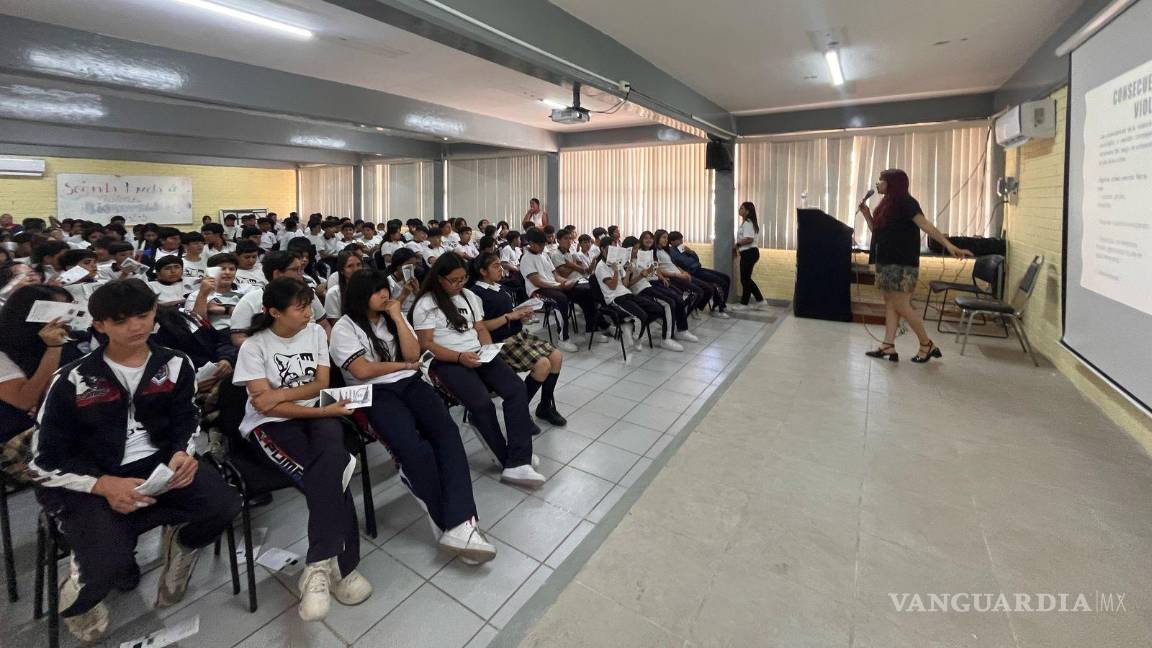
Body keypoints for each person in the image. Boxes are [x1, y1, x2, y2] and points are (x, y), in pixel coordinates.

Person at [30, 279, 241, 642]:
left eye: (143, 315)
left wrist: (182, 453)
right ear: (99, 325)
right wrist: (103, 485)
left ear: (155, 313)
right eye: (121, 320)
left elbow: (187, 418)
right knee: (107, 561)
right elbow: (41, 462)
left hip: (158, 463)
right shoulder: (73, 379)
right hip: (90, 476)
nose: (136, 326)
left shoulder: (175, 364)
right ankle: (83, 592)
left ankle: (184, 545)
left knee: (224, 504)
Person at [331, 270, 496, 563]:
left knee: (447, 433)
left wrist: (396, 318)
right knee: (414, 449)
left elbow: (413, 352)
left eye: (385, 289)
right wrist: (403, 366)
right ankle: (449, 522)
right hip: (372, 393)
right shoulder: (344, 327)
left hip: (409, 382)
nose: (385, 295)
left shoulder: (391, 318)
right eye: (376, 291)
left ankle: (461, 522)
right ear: (360, 296)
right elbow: (362, 371)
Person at [232, 277, 372, 621]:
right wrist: (308, 406)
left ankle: (317, 566)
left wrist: (280, 393)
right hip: (273, 425)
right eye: (301, 307)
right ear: (273, 311)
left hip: (319, 410)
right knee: (330, 476)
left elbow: (321, 383)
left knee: (329, 466)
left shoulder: (314, 333)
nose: (310, 312)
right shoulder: (255, 347)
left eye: (310, 304)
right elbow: (265, 409)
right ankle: (342, 567)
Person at [410, 254, 546, 488]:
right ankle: (510, 462)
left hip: (477, 353)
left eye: (463, 279)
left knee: (515, 389)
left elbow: (480, 328)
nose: (459, 284)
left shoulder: (470, 296)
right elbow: (426, 345)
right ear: (439, 279)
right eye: (454, 280)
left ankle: (519, 457)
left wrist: (486, 350)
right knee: (481, 403)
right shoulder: (426, 303)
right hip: (447, 360)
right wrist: (460, 357)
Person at [859, 168, 973, 363]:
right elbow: (876, 231)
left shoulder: (907, 203)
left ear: (892, 184)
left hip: (902, 263)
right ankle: (888, 345)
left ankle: (926, 344)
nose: (877, 184)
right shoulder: (886, 205)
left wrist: (949, 245)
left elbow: (926, 225)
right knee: (890, 303)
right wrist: (867, 214)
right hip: (885, 261)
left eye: (881, 181)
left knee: (901, 304)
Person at [471, 252, 567, 426]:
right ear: (483, 271)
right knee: (542, 364)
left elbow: (508, 313)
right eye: (495, 266)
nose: (501, 269)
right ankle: (520, 412)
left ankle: (545, 406)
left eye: (500, 265)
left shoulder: (499, 287)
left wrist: (522, 315)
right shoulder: (476, 293)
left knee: (556, 356)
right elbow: (481, 327)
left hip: (517, 335)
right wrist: (510, 316)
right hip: (499, 342)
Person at [520, 229, 594, 353]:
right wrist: (559, 286)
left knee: (585, 292)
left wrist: (564, 282)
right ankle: (563, 339)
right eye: (540, 245)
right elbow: (537, 281)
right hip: (539, 290)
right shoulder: (526, 259)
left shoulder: (544, 255)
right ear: (531, 243)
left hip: (554, 285)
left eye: (544, 244)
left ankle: (592, 329)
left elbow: (555, 275)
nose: (543, 247)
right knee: (561, 299)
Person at [593, 237, 663, 350]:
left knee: (657, 309)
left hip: (626, 293)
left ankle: (630, 325)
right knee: (642, 316)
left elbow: (625, 285)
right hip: (615, 298)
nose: (612, 253)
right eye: (609, 250)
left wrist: (628, 271)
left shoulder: (617, 263)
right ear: (602, 249)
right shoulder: (600, 266)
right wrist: (616, 271)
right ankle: (635, 335)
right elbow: (612, 286)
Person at [667, 231, 731, 317]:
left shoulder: (682, 248)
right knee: (720, 283)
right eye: (679, 240)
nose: (681, 242)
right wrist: (688, 260)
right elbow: (683, 263)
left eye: (681, 239)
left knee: (726, 278)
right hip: (693, 272)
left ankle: (722, 304)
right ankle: (718, 308)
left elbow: (696, 259)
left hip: (699, 269)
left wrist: (691, 252)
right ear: (672, 242)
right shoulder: (671, 252)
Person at [731, 202, 766, 311]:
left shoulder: (748, 223)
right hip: (748, 253)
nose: (739, 209)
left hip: (750, 253)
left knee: (745, 279)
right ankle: (759, 301)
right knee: (746, 279)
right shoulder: (747, 223)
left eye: (742, 208)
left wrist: (737, 245)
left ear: (747, 211)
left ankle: (746, 303)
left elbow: (749, 239)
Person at [324, 250, 363, 322]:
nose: (356, 269)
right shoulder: (333, 293)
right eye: (350, 266)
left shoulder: (370, 288)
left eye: (358, 265)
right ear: (342, 270)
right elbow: (335, 324)